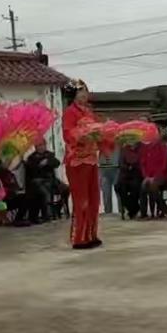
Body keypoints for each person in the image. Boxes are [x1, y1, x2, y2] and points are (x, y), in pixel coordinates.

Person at [62, 79, 102, 249]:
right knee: (82, 200)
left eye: (85, 90)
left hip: (91, 159)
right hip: (77, 161)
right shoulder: (70, 113)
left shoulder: (89, 113)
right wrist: (82, 135)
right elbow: (67, 134)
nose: (84, 94)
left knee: (94, 199)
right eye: (80, 91)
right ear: (73, 95)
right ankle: (79, 238)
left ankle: (91, 235)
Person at [25, 139, 61, 222]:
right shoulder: (32, 157)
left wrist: (47, 162)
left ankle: (56, 211)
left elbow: (57, 163)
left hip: (50, 180)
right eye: (39, 146)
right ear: (35, 147)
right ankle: (48, 215)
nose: (41, 147)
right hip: (38, 181)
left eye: (42, 145)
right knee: (44, 189)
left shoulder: (49, 155)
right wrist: (40, 164)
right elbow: (32, 169)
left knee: (64, 188)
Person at [0, 159, 30, 226]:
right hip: (3, 200)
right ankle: (18, 219)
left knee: (27, 197)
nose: (8, 163)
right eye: (5, 162)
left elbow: (16, 186)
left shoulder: (9, 173)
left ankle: (20, 219)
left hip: (11, 197)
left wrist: (17, 189)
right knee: (24, 198)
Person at [139, 138, 167, 218]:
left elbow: (164, 164)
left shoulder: (162, 146)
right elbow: (143, 164)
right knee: (143, 187)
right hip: (148, 176)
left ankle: (164, 209)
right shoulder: (145, 147)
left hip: (161, 175)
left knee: (153, 186)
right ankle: (144, 213)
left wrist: (155, 177)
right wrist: (146, 176)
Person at [115, 143, 142, 219]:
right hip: (125, 174)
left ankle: (132, 210)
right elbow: (121, 163)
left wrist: (133, 166)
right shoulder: (124, 149)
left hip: (136, 174)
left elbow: (142, 162)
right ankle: (134, 208)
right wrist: (127, 167)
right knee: (119, 187)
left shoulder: (141, 148)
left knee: (136, 187)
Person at [98, 149, 121, 214]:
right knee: (106, 192)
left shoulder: (118, 140)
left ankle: (121, 211)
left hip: (116, 167)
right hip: (103, 167)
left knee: (118, 191)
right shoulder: (100, 139)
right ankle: (108, 212)